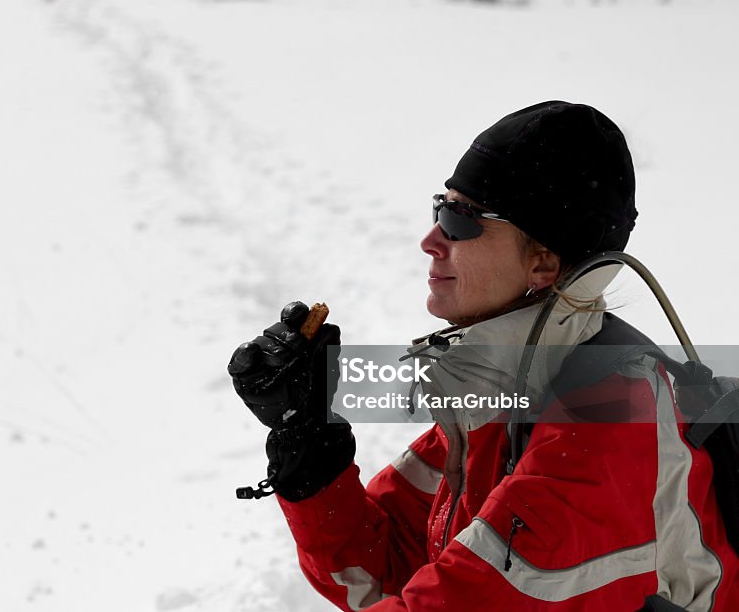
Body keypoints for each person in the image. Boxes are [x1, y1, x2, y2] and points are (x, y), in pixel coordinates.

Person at [228, 101, 739, 611]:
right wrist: (310, 446)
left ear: (543, 261)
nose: (430, 240)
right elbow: (383, 567)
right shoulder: (504, 391)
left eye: (460, 219)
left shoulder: (604, 434)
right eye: (439, 208)